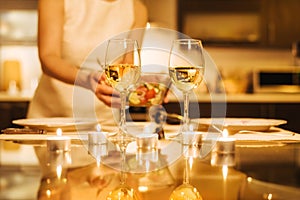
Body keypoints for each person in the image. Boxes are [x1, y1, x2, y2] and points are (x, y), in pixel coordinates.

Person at [27, 0, 148, 124]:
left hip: (105, 123)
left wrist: (148, 89)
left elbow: (128, 68)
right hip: (53, 121)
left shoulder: (137, 9)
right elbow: (48, 57)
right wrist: (86, 79)